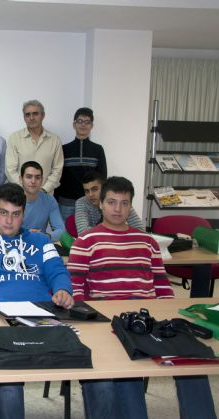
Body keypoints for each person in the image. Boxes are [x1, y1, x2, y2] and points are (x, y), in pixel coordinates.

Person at [67, 176, 215, 419]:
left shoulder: (147, 242)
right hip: (111, 322)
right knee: (127, 373)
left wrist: (171, 320)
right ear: (101, 204)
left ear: (131, 206)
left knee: (194, 365)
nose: (118, 209)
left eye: (124, 203)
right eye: (112, 202)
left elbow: (162, 286)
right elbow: (78, 293)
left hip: (150, 320)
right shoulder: (86, 242)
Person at [0, 183, 74, 419]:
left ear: (23, 214)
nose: (9, 221)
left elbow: (57, 271)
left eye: (16, 214)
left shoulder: (41, 242)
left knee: (8, 387)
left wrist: (63, 290)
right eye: (3, 213)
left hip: (39, 320)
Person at [55, 107, 107, 220]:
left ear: (91, 126)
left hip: (90, 202)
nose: (83, 125)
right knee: (66, 235)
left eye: (87, 122)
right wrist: (56, 200)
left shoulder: (98, 149)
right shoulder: (64, 149)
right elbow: (58, 176)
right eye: (80, 121)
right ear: (74, 125)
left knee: (88, 234)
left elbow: (103, 177)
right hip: (66, 203)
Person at [6, 100, 63, 195]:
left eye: (35, 114)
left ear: (43, 115)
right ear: (24, 117)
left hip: (46, 195)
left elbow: (57, 170)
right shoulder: (15, 138)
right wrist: (25, 189)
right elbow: (10, 170)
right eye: (27, 114)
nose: (31, 118)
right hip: (20, 196)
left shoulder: (54, 140)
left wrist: (44, 190)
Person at [74, 171, 144, 236]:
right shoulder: (81, 203)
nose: (91, 194)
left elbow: (140, 231)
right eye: (87, 191)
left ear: (104, 188)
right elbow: (83, 232)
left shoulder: (120, 202)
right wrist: (117, 231)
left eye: (95, 189)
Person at [20, 161, 65, 241]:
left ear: (42, 180)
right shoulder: (11, 199)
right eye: (29, 177)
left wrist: (45, 236)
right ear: (21, 179)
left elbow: (61, 231)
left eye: (37, 177)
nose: (33, 181)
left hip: (40, 243)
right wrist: (26, 233)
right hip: (15, 243)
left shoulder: (49, 200)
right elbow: (3, 229)